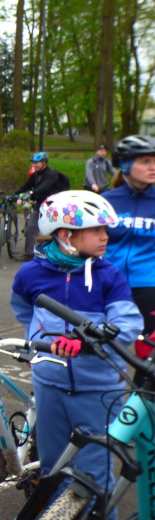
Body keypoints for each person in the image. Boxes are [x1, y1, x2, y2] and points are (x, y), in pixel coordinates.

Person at [10, 190, 141, 520]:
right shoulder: (31, 273)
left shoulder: (108, 275)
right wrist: (45, 342)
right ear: (66, 235)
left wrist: (86, 338)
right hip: (50, 382)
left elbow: (128, 324)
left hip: (99, 389)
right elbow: (23, 309)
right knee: (53, 466)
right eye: (96, 230)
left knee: (95, 473)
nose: (106, 236)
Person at [100, 135, 155, 386]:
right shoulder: (108, 201)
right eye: (145, 161)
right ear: (124, 165)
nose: (153, 166)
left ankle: (143, 412)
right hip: (109, 284)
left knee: (149, 357)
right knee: (104, 349)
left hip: (150, 287)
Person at [16, 151, 62, 259]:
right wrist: (15, 194)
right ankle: (29, 254)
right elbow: (27, 186)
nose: (34, 165)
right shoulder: (36, 175)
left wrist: (32, 193)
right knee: (31, 227)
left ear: (44, 163)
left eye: (37, 163)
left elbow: (45, 187)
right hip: (40, 206)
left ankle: (57, 253)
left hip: (52, 206)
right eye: (33, 163)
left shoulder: (51, 173)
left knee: (54, 230)